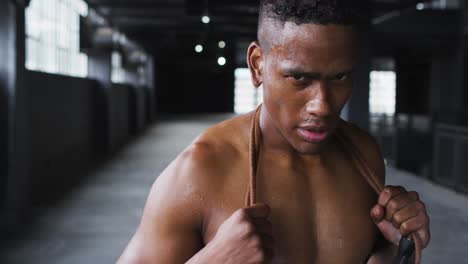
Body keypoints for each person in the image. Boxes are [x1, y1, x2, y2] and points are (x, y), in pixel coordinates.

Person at [117, 1, 430, 263]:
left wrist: (394, 249)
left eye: (339, 77)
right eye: (298, 78)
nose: (321, 106)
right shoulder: (199, 171)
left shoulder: (364, 156)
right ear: (257, 66)